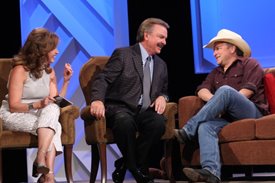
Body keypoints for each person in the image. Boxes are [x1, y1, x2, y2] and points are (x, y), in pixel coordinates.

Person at [174, 29, 269, 183]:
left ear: (232, 48)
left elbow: (247, 92)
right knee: (205, 126)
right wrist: (217, 101)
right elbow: (202, 90)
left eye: (217, 48)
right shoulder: (215, 72)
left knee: (225, 91)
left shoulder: (250, 64)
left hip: (252, 112)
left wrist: (223, 100)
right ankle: (211, 172)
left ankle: (188, 130)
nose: (214, 53)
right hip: (228, 117)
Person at [89, 18, 170, 183]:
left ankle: (125, 164)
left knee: (158, 122)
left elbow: (164, 90)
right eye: (161, 37)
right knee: (124, 121)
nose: (164, 42)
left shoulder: (161, 65)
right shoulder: (124, 54)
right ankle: (136, 169)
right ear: (146, 35)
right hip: (120, 108)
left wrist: (163, 97)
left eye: (165, 38)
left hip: (143, 111)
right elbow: (102, 79)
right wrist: (97, 100)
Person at [0, 28, 73, 183]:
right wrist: (38, 104)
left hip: (38, 114)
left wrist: (65, 81)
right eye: (53, 48)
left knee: (52, 109)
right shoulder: (20, 70)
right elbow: (13, 105)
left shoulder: (50, 71)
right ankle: (48, 176)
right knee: (56, 127)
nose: (57, 52)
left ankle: (42, 162)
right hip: (14, 115)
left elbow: (56, 102)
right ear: (42, 50)